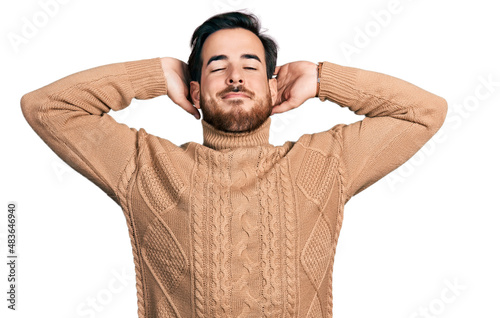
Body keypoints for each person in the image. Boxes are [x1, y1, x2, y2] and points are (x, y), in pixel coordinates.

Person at [20, 10, 447, 318]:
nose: (235, 77)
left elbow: (424, 112)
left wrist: (322, 78)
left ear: (275, 86)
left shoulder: (324, 163)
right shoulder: (146, 167)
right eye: (217, 66)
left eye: (250, 65)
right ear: (193, 91)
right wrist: (153, 74)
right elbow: (46, 108)